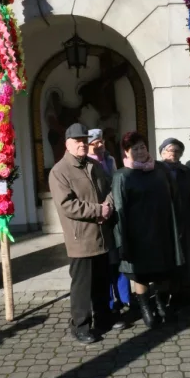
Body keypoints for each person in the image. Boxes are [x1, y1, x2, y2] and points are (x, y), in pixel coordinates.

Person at [47, 123, 126, 345]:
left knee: (101, 282)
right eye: (77, 141)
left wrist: (108, 206)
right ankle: (80, 326)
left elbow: (110, 189)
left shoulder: (94, 165)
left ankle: (103, 318)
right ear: (67, 144)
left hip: (102, 234)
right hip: (80, 239)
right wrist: (97, 210)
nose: (82, 144)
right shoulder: (59, 171)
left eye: (84, 140)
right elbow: (67, 205)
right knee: (82, 286)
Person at [110, 132, 185, 328]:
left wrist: (177, 225)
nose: (140, 151)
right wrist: (122, 238)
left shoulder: (160, 169)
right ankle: (145, 308)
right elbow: (119, 207)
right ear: (126, 152)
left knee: (162, 271)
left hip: (161, 230)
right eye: (134, 149)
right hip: (137, 234)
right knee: (140, 274)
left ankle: (160, 304)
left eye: (142, 147)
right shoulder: (121, 175)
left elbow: (174, 196)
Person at [88, 128, 130, 317]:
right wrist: (101, 209)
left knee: (117, 259)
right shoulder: (87, 163)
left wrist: (110, 204)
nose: (99, 145)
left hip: (112, 214)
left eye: (101, 141)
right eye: (94, 142)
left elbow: (114, 183)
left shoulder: (110, 160)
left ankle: (124, 298)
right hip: (96, 217)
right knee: (104, 263)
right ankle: (109, 302)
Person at [159, 138, 190, 287]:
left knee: (185, 256)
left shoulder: (187, 173)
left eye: (177, 151)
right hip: (164, 223)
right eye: (170, 150)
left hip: (184, 222)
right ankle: (165, 291)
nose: (173, 153)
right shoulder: (155, 172)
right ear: (162, 152)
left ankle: (183, 291)